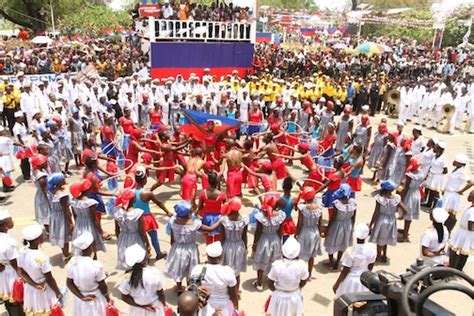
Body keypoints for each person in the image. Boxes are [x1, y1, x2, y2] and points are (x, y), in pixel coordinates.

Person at [165, 201, 220, 294]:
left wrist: (173, 249)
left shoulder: (173, 223)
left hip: (177, 248)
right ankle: (189, 287)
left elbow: (172, 239)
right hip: (191, 249)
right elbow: (210, 229)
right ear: (189, 213)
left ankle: (179, 288)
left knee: (179, 268)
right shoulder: (194, 224)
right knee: (191, 268)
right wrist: (220, 221)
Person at [18, 224, 63, 315]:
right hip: (44, 290)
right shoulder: (41, 257)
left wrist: (34, 284)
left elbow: (21, 272)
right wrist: (58, 292)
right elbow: (49, 279)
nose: (44, 236)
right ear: (37, 240)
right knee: (48, 311)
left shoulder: (22, 253)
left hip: (31, 289)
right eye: (42, 235)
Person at [66, 232, 111, 316]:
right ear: (91, 247)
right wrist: (108, 299)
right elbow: (103, 287)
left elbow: (69, 283)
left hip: (80, 301)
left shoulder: (72, 263)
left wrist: (81, 297)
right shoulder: (96, 266)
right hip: (96, 299)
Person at [190, 242, 239, 316]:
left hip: (205, 306)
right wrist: (236, 308)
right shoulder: (227, 271)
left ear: (207, 256)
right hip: (224, 308)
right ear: (221, 256)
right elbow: (233, 294)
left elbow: (193, 289)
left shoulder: (199, 270)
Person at [118, 244, 167, 316]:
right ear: (144, 258)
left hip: (137, 311)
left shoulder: (126, 278)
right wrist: (164, 305)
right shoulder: (155, 273)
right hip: (155, 308)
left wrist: (141, 306)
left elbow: (124, 297)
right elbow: (161, 294)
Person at [134, 170, 171, 260]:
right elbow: (159, 203)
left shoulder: (132, 192)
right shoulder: (147, 193)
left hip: (136, 217)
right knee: (153, 236)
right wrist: (167, 212)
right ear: (144, 180)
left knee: (140, 237)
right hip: (147, 217)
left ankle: (144, 254)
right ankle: (158, 253)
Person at [267, 236, 308, 316]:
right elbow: (304, 281)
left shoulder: (277, 265)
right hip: (294, 297)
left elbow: (270, 283)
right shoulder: (302, 265)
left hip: (279, 298)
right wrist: (295, 288)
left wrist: (278, 290)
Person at [333, 223, 376, 299]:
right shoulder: (372, 249)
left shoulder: (351, 250)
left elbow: (345, 271)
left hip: (351, 281)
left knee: (346, 303)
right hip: (364, 280)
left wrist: (337, 284)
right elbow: (370, 267)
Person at [252, 196, 286, 291]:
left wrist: (255, 244)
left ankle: (259, 283)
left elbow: (258, 232)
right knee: (274, 260)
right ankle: (273, 280)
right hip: (275, 239)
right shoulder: (280, 215)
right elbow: (280, 230)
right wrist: (279, 242)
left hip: (264, 240)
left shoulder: (261, 216)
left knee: (261, 260)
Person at [369, 180, 408, 262]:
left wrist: (370, 224)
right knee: (385, 239)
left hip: (381, 220)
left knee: (380, 240)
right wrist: (401, 217)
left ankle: (379, 256)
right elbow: (405, 210)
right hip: (391, 220)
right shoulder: (396, 198)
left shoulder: (380, 199)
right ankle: (385, 255)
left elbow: (376, 212)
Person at [114, 189, 151, 270]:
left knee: (127, 262)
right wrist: (147, 243)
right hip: (136, 239)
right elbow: (142, 232)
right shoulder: (137, 213)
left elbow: (116, 230)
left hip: (123, 238)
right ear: (133, 199)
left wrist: (119, 240)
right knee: (138, 262)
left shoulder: (118, 212)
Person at [69, 179, 105, 258]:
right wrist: (101, 232)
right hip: (89, 226)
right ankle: (94, 261)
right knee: (91, 246)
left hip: (79, 225)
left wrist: (76, 226)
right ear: (88, 189)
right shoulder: (90, 203)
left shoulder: (73, 201)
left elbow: (75, 216)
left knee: (81, 246)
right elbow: (94, 219)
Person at [324, 184, 357, 270]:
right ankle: (337, 262)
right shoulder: (353, 203)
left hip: (337, 226)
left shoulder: (337, 204)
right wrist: (351, 228)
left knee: (331, 241)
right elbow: (353, 217)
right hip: (348, 225)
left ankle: (331, 262)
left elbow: (333, 218)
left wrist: (327, 229)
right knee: (342, 244)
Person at [220, 197, 248, 290]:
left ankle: (228, 290)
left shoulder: (224, 220)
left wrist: (221, 248)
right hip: (239, 246)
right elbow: (245, 235)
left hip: (227, 246)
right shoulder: (244, 219)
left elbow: (222, 237)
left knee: (226, 270)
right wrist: (246, 248)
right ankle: (236, 291)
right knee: (237, 272)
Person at [295, 186, 323, 279]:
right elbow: (320, 223)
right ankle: (309, 274)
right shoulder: (319, 207)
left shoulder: (302, 208)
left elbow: (299, 223)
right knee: (311, 255)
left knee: (301, 255)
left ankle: (300, 275)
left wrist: (296, 234)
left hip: (304, 232)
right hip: (315, 232)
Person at [441, 153, 472, 232]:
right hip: (448, 193)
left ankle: (448, 230)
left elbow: (471, 182)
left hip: (453, 195)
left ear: (460, 163)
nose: (453, 162)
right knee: (447, 213)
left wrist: (461, 190)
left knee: (452, 215)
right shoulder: (456, 170)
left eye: (456, 161)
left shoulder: (462, 172)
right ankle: (445, 228)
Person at [0, 210, 23, 315]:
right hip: (11, 273)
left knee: (7, 298)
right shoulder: (9, 242)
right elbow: (15, 264)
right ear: (5, 225)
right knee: (17, 299)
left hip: (2, 274)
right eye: (10, 220)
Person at [47, 172, 73, 261]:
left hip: (54, 216)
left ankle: (64, 252)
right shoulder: (63, 196)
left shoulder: (51, 191)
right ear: (58, 182)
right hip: (62, 216)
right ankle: (66, 254)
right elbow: (66, 210)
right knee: (65, 235)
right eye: (63, 179)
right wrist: (70, 222)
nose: (64, 179)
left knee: (59, 234)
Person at [399, 157, 424, 243]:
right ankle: (405, 231)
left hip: (409, 194)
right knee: (410, 215)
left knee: (407, 215)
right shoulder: (420, 173)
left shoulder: (409, 175)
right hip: (416, 193)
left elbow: (405, 189)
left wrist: (401, 199)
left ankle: (405, 236)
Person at [197, 171, 227, 244]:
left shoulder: (203, 193)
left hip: (207, 217)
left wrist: (196, 215)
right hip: (218, 218)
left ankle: (209, 252)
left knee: (208, 237)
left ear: (208, 181)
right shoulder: (222, 194)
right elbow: (225, 207)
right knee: (218, 237)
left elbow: (200, 207)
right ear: (217, 181)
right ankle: (217, 252)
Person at [448, 190, 473, 271]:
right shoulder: (471, 207)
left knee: (455, 251)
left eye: (470, 194)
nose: (468, 196)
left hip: (465, 233)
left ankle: (453, 268)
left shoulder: (472, 211)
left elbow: (470, 226)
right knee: (463, 252)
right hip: (464, 232)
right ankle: (458, 268)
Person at [31, 154, 51, 231]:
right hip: (44, 197)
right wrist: (50, 201)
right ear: (40, 164)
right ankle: (50, 231)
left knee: (44, 214)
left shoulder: (36, 171)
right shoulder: (41, 177)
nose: (46, 163)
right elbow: (45, 190)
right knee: (47, 213)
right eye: (45, 162)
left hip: (39, 195)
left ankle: (49, 230)